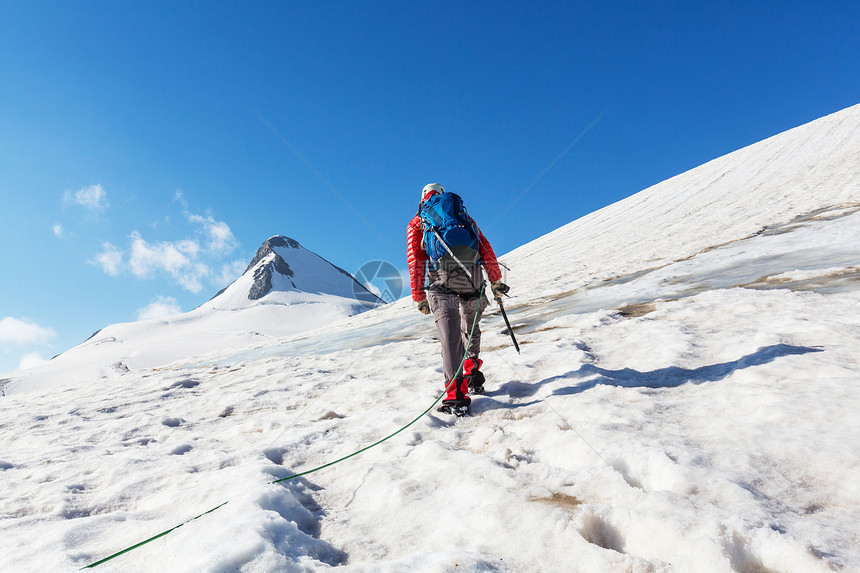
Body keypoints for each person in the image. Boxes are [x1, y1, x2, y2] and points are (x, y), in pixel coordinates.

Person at [407, 183, 509, 416]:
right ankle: (473, 373)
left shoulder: (418, 222)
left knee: (450, 337)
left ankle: (456, 398)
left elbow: (416, 261)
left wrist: (419, 296)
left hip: (441, 280)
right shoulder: (464, 216)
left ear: (423, 198)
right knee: (470, 327)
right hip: (473, 278)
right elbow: (485, 248)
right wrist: (494, 280)